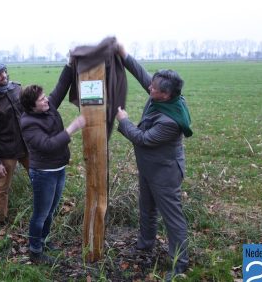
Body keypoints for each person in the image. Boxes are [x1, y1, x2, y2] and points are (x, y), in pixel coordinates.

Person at [115, 42, 193, 280]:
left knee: (172, 218)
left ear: (166, 94)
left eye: (154, 88)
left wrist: (124, 120)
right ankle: (145, 244)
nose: (149, 87)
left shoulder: (170, 121)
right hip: (149, 168)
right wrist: (123, 53)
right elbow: (142, 75)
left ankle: (179, 264)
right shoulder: (161, 95)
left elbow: (143, 139)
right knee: (146, 207)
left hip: (165, 173)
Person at [19, 62, 85, 265]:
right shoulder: (28, 123)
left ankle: (44, 240)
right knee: (40, 214)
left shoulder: (48, 107)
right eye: (41, 99)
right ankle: (35, 251)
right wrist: (73, 127)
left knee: (52, 209)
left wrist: (69, 63)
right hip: (43, 173)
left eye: (44, 96)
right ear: (32, 106)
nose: (46, 99)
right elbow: (47, 145)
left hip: (58, 169)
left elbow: (62, 86)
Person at [0, 63, 29, 227]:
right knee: (3, 188)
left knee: (40, 177)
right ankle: (1, 221)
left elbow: (28, 111)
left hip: (27, 147)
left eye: (3, 72)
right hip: (7, 152)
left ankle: (47, 207)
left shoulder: (16, 88)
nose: (3, 76)